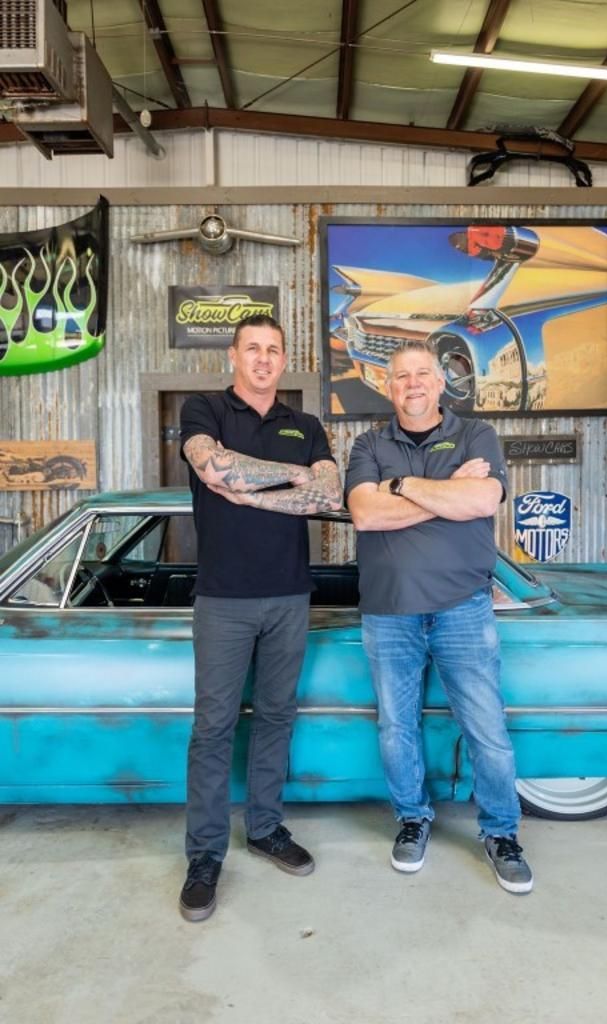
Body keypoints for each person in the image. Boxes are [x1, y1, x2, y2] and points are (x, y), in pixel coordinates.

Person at [345, 339, 533, 894]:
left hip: (462, 610)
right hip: (389, 613)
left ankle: (502, 832)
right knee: (396, 728)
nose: (413, 384)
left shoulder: (477, 435)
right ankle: (411, 819)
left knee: (487, 729)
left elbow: (480, 502)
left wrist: (401, 486)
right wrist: (446, 489)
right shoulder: (367, 443)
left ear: (441, 380)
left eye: (422, 374)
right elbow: (363, 512)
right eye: (401, 376)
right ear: (388, 385)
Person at [178, 314, 342, 922]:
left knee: (277, 716)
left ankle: (266, 827)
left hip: (289, 597)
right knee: (214, 728)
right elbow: (211, 468)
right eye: (253, 348)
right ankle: (204, 855)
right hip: (222, 599)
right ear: (234, 355)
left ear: (282, 358)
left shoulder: (305, 424)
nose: (264, 359)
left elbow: (329, 494)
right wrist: (287, 477)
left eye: (274, 350)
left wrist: (250, 483)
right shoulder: (205, 410)